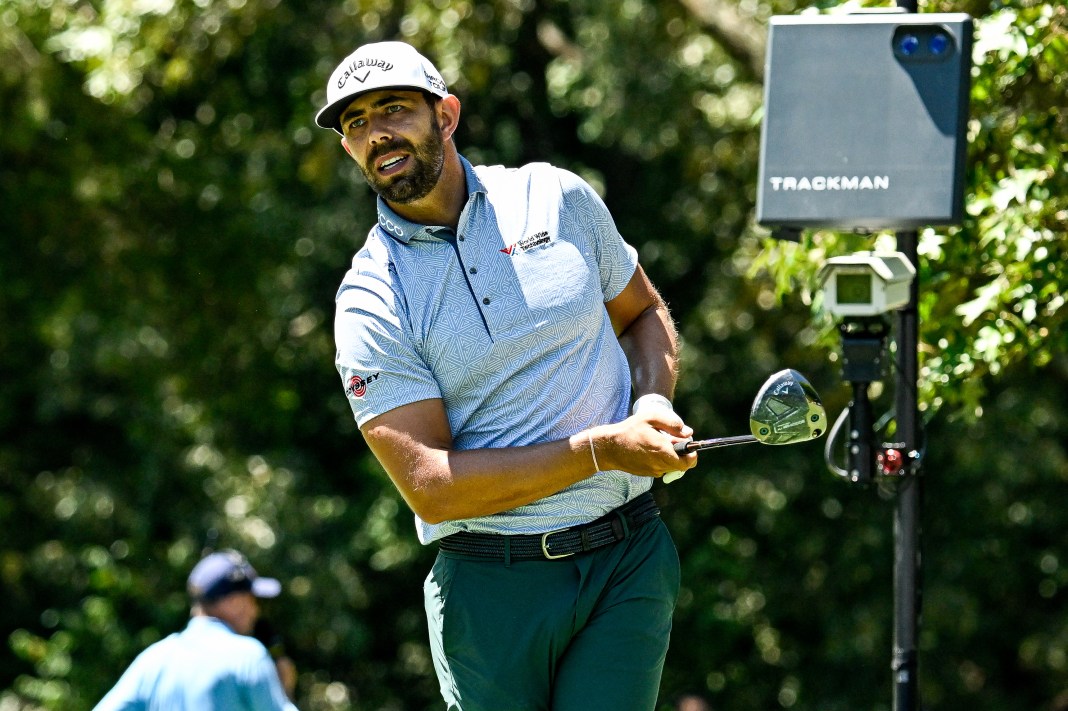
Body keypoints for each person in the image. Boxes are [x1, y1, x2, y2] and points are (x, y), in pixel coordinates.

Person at [315, 40, 698, 711]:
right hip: (493, 588)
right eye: (355, 123)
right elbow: (432, 487)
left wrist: (651, 402)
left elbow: (642, 312)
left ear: (447, 115)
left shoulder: (557, 196)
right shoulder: (372, 297)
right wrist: (602, 450)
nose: (377, 133)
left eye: (395, 109)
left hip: (627, 555)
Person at [94, 549, 298, 711]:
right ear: (234, 602)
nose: (255, 611)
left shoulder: (154, 658)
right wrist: (284, 689)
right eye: (251, 600)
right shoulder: (249, 657)